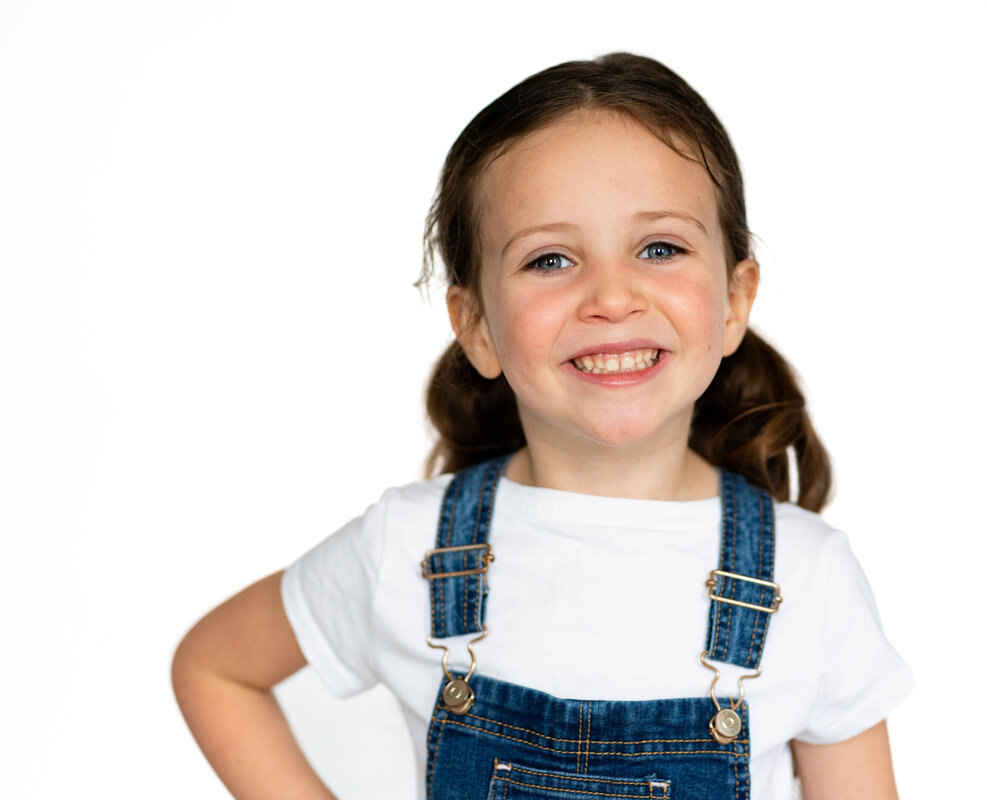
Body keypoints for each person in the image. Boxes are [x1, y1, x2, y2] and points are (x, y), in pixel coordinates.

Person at [172, 52, 913, 800]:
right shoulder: (409, 548)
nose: (612, 296)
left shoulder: (807, 579)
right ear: (478, 327)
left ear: (733, 300)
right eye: (551, 258)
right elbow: (216, 668)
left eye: (660, 248)